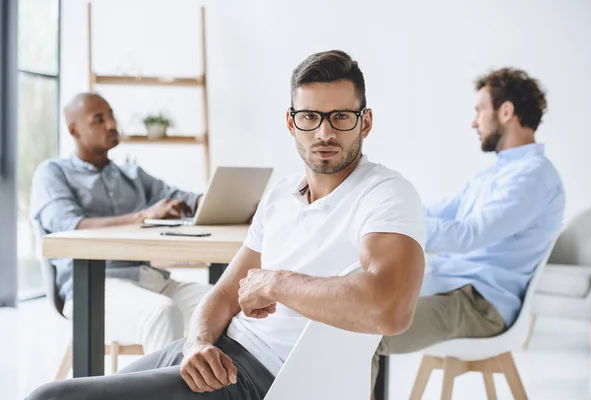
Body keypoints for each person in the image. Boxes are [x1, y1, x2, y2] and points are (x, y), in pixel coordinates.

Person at [27, 50, 426, 400]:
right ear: (291, 123)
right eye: (309, 117)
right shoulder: (281, 194)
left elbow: (389, 309)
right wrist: (197, 342)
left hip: (263, 378)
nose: (324, 132)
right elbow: (222, 294)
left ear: (366, 122)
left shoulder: (386, 194)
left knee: (50, 397)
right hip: (216, 353)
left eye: (340, 117)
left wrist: (275, 283)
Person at [372, 68, 566, 385]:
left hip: (479, 303)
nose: (474, 122)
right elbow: (440, 210)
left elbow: (468, 235)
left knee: (367, 333)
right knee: (356, 308)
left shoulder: (532, 177)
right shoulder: (495, 174)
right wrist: (385, 211)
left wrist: (394, 225)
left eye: (479, 110)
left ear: (506, 112)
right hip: (453, 289)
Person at [30, 92, 213, 353]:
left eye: (111, 115)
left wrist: (221, 200)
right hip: (91, 286)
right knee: (161, 313)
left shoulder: (132, 174)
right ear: (74, 130)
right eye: (99, 119)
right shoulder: (53, 173)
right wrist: (142, 216)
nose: (112, 125)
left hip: (151, 280)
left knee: (226, 303)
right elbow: (70, 225)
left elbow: (182, 198)